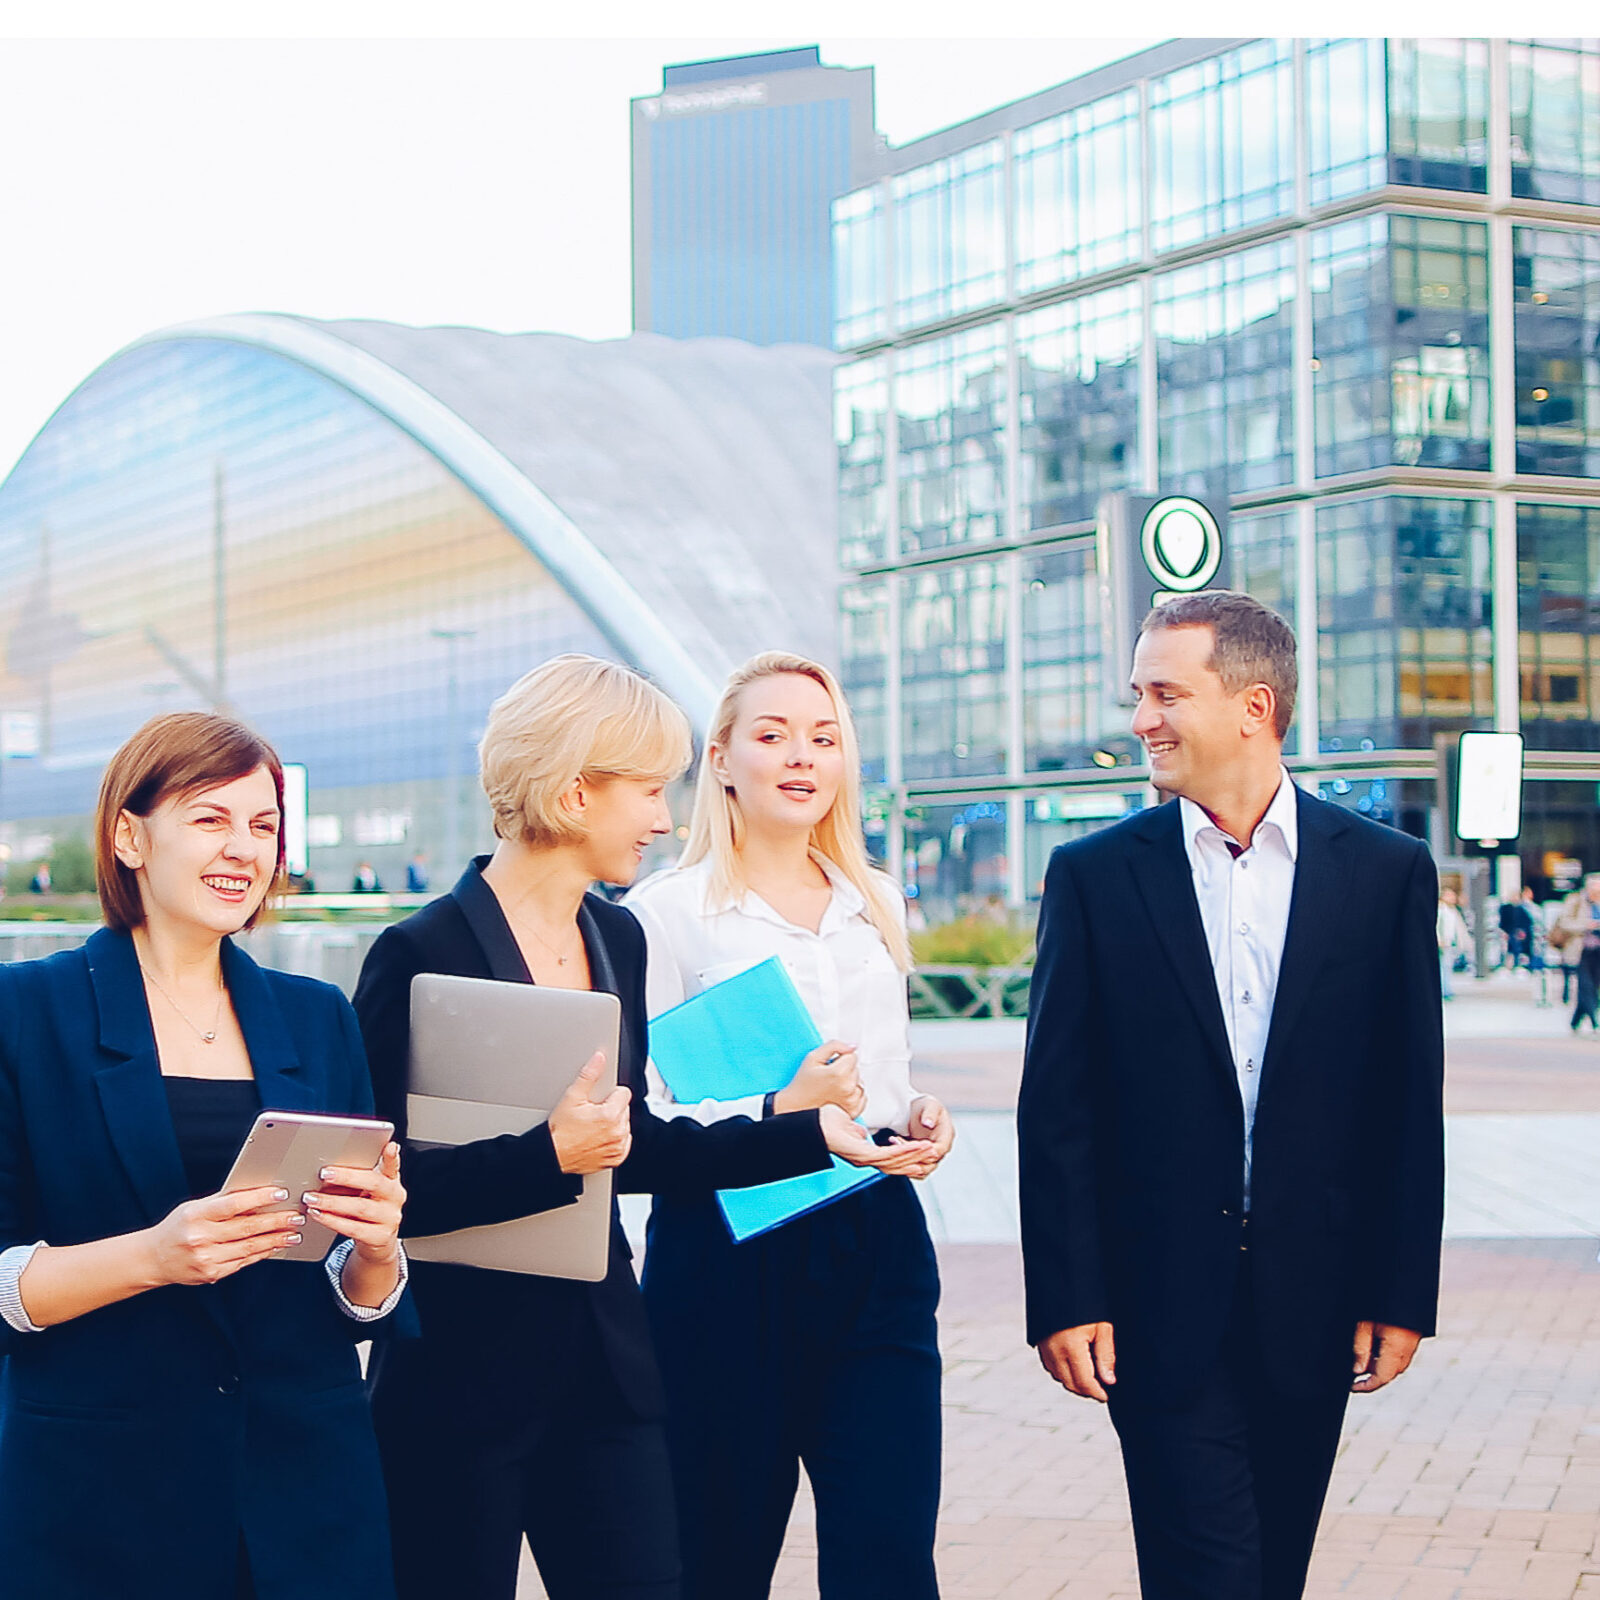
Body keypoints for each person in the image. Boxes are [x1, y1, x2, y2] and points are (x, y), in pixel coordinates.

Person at [351, 654, 907, 1600]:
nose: (662, 818)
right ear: (574, 794)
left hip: (606, 1374)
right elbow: (378, 1194)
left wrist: (805, 1133)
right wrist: (549, 1157)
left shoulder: (619, 939)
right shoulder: (418, 953)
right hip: (457, 1382)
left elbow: (636, 1143)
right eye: (647, 791)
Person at [1018, 592, 1445, 1600]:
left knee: (1272, 1573)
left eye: (1165, 693)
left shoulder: (1385, 873)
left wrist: (1400, 1289)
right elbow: (1058, 1108)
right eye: (1138, 694)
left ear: (1253, 706)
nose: (1139, 721)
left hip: (1319, 1299)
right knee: (1204, 1574)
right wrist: (1065, 1295)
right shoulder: (1092, 876)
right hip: (1155, 1306)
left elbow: (1404, 1100)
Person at [0, 712, 409, 1600]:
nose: (243, 848)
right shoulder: (26, 1013)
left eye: (262, 825)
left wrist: (377, 1249)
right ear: (129, 836)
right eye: (209, 817)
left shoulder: (316, 1015)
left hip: (304, 1494)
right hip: (101, 1497)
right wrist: (153, 1258)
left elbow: (352, 1288)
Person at [627, 652, 954, 1600]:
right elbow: (645, 1113)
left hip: (877, 1240)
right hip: (727, 1247)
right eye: (772, 736)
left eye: (823, 737)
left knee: (888, 1556)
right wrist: (780, 1113)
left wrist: (916, 1116)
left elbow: (885, 1081)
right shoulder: (666, 915)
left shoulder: (876, 901)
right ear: (721, 759)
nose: (801, 757)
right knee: (715, 1558)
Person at [1562, 875, 1600, 1031]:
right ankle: (1594, 1021)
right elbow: (1565, 922)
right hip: (1580, 950)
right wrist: (1587, 925)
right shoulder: (1575, 901)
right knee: (1586, 986)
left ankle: (1576, 1019)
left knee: (1594, 985)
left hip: (1598, 951)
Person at [1436, 885, 1471, 1001]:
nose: (1453, 897)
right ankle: (1444, 990)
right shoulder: (1440, 909)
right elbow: (1437, 926)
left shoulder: (1453, 910)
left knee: (1447, 966)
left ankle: (1446, 989)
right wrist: (1439, 939)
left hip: (1449, 943)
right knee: (1443, 967)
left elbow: (1458, 929)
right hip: (1442, 943)